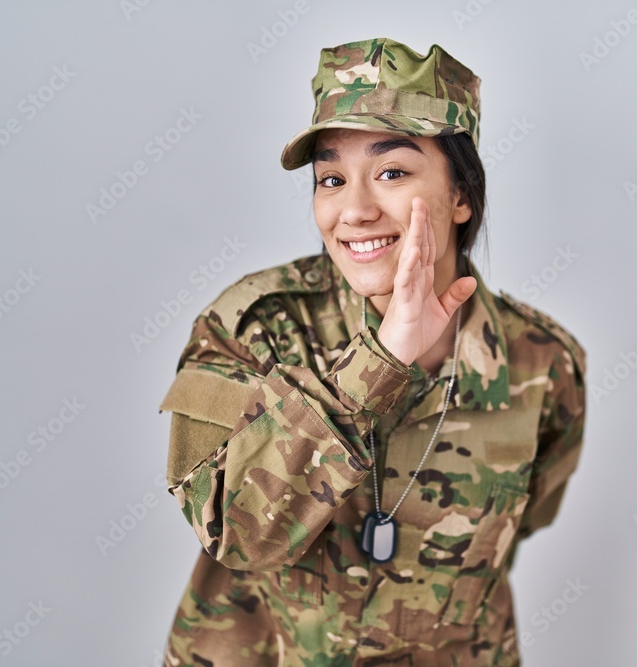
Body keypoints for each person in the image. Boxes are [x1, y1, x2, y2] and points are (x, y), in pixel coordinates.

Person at [157, 36, 587, 667]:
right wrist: (379, 363)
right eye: (331, 178)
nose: (353, 210)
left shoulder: (541, 361)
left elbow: (527, 518)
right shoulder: (254, 326)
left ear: (461, 197)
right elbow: (236, 531)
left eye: (391, 172)